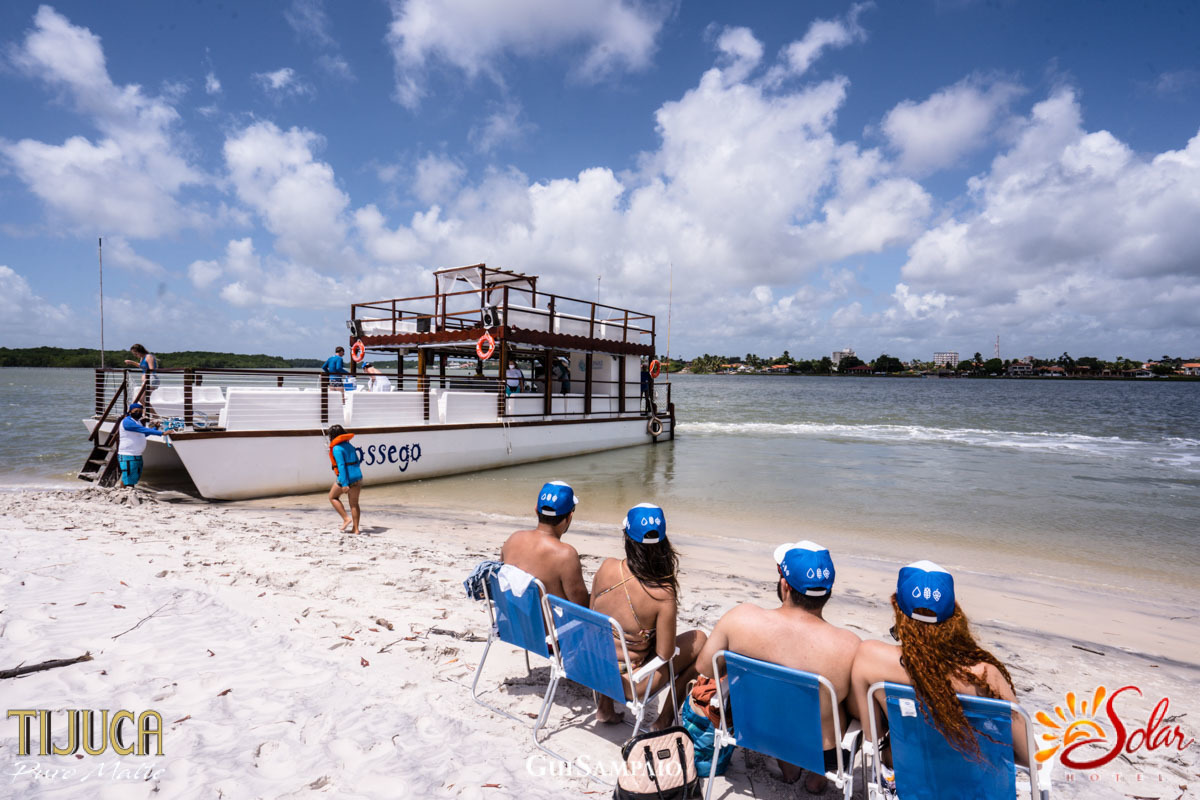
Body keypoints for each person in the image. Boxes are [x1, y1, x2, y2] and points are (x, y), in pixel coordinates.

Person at [696, 541, 861, 792]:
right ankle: (817, 777)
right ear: (828, 592)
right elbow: (860, 713)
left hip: (754, 732)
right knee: (839, 702)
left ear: (785, 585)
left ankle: (788, 765)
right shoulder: (848, 646)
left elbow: (705, 667)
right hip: (819, 751)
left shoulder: (741, 619)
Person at [848, 561, 1029, 775]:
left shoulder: (870, 657)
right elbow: (1029, 757)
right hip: (965, 783)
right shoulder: (984, 674)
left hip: (906, 780)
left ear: (897, 607)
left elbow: (872, 735)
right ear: (955, 615)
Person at [590, 504, 707, 730]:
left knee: (608, 634)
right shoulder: (662, 593)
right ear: (663, 544)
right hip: (629, 684)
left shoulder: (607, 567)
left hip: (593, 667)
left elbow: (591, 616)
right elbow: (664, 654)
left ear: (627, 537)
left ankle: (605, 706)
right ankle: (664, 720)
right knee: (700, 640)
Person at [498, 481, 589, 607]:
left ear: (536, 510)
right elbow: (582, 607)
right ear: (569, 516)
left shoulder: (513, 539)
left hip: (514, 622)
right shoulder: (565, 555)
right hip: (548, 626)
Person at [116, 402, 164, 488]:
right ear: (130, 411)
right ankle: (124, 493)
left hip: (137, 454)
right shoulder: (127, 421)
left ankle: (126, 492)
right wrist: (162, 433)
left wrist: (155, 428)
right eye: (136, 411)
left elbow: (142, 434)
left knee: (132, 477)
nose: (138, 413)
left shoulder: (137, 422)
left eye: (140, 411)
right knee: (128, 477)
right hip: (128, 454)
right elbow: (143, 430)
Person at [326, 424, 362, 533]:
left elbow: (341, 466)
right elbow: (357, 461)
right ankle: (356, 529)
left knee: (332, 497)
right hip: (358, 477)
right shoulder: (349, 445)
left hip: (346, 478)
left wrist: (345, 483)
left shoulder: (337, 448)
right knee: (354, 504)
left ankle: (346, 519)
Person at [124, 344, 160, 411]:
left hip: (151, 380)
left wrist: (146, 378)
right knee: (144, 399)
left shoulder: (148, 357)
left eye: (135, 353)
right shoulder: (142, 358)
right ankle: (147, 414)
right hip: (146, 381)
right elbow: (141, 366)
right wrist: (131, 362)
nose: (135, 355)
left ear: (139, 351)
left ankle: (155, 416)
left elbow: (151, 369)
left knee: (141, 399)